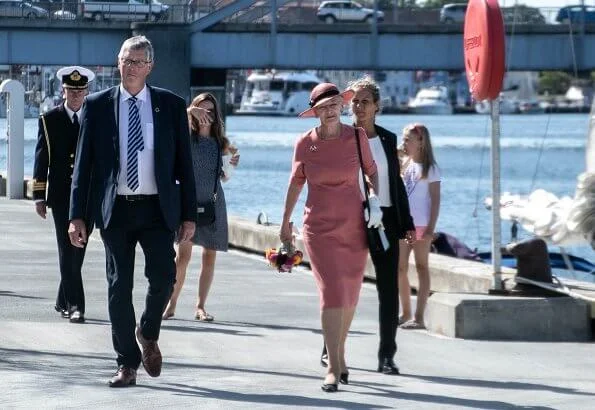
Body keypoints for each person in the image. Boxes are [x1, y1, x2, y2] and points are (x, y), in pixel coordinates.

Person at [68, 35, 197, 388]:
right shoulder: (97, 105)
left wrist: (189, 215)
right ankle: (126, 362)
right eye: (126, 61)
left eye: (139, 62)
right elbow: (84, 165)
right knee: (118, 287)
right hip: (116, 211)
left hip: (157, 209)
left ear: (150, 66)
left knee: (164, 278)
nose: (131, 68)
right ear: (118, 63)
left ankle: (148, 330)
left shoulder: (170, 105)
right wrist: (76, 215)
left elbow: (184, 165)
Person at [280, 82, 382, 392]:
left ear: (342, 106)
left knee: (350, 293)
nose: (329, 111)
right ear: (315, 113)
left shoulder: (357, 137)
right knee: (332, 292)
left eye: (334, 105)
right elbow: (295, 185)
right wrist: (285, 223)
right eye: (323, 108)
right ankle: (334, 368)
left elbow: (372, 170)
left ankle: (340, 355)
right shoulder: (305, 144)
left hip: (354, 225)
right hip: (319, 228)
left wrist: (375, 200)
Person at [320, 77, 416, 375]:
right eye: (355, 102)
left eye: (365, 102)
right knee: (344, 288)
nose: (359, 107)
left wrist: (407, 222)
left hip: (384, 219)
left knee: (389, 289)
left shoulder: (387, 139)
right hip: (350, 218)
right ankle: (331, 350)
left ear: (377, 107)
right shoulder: (342, 136)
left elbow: (395, 183)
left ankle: (386, 355)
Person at [162, 92, 240, 321]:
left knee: (209, 257)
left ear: (216, 115)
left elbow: (224, 177)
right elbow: (165, 126)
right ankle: (171, 303)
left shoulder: (222, 143)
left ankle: (200, 307)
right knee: (182, 257)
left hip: (213, 204)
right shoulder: (185, 137)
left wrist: (232, 165)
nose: (206, 114)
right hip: (188, 205)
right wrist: (187, 112)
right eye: (201, 109)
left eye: (210, 110)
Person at [32, 65, 95, 324]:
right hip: (60, 196)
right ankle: (75, 305)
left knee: (79, 249)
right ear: (63, 90)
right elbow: (41, 158)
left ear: (86, 91)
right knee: (66, 249)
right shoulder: (49, 120)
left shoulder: (95, 119)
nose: (76, 95)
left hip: (88, 196)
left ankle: (62, 298)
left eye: (80, 91)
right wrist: (39, 196)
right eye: (71, 90)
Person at [398, 123, 441, 330]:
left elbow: (435, 200)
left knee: (422, 267)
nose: (404, 143)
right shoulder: (405, 164)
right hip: (404, 225)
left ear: (421, 142)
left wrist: (432, 228)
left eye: (408, 139)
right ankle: (405, 311)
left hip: (422, 225)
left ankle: (419, 316)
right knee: (400, 268)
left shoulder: (430, 169)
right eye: (404, 139)